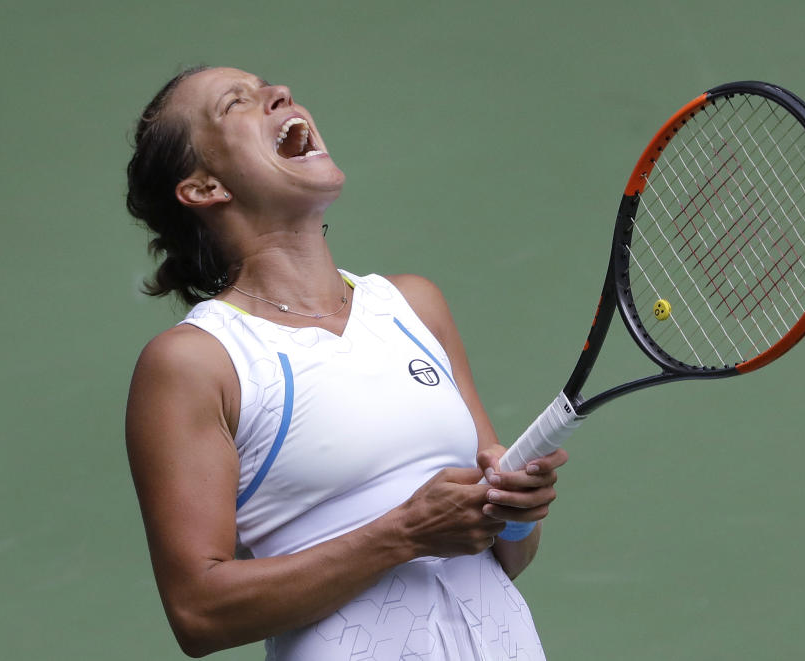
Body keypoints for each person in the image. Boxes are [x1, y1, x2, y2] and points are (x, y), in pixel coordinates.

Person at [125, 66, 567, 660]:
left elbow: (506, 555)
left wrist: (512, 510)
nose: (279, 93)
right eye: (237, 103)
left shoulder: (413, 305)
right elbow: (198, 612)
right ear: (204, 188)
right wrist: (403, 533)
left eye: (270, 89)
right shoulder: (197, 361)